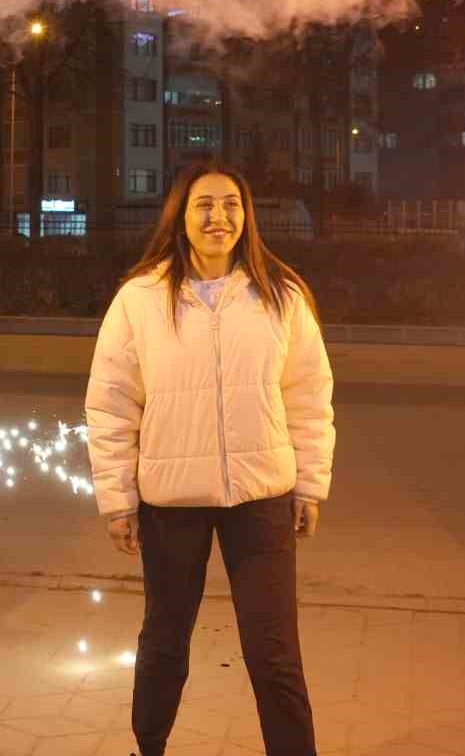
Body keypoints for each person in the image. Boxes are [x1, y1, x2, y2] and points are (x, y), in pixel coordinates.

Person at [85, 160, 335, 756]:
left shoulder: (281, 294)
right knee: (165, 644)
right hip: (172, 503)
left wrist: (310, 485)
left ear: (247, 216)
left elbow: (308, 394)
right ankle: (147, 748)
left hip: (261, 499)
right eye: (205, 205)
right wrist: (118, 499)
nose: (219, 217)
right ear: (181, 216)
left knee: (274, 654)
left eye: (231, 204)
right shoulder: (140, 299)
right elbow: (112, 403)